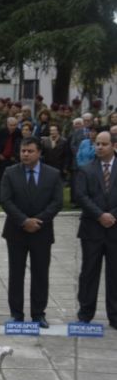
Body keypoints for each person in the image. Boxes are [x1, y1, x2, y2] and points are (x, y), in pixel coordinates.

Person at [0, 136, 63, 328]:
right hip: (16, 232)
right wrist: (24, 221)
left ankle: (38, 314)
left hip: (41, 232)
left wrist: (38, 221)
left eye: (30, 151)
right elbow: (5, 200)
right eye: (23, 151)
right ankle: (16, 314)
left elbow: (57, 202)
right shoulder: (10, 173)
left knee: (40, 274)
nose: (25, 154)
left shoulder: (52, 174)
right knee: (16, 274)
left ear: (39, 153)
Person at [75, 131, 117, 329]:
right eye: (97, 144)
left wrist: (112, 215)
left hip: (115, 230)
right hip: (92, 229)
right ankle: (85, 313)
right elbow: (81, 196)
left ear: (113, 146)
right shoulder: (85, 169)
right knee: (89, 272)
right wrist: (100, 215)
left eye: (104, 144)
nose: (99, 147)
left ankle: (115, 315)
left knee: (114, 273)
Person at [0, 117, 21, 204]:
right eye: (11, 125)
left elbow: (19, 146)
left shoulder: (18, 133)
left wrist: (15, 156)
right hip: (1, 159)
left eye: (15, 125)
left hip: (12, 160)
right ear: (7, 125)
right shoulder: (2, 132)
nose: (13, 127)